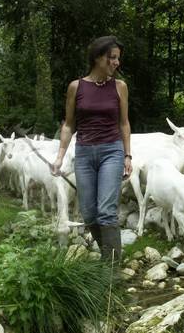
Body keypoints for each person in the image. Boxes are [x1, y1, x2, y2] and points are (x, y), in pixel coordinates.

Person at [50, 35, 132, 264]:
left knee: (106, 211)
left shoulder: (120, 87)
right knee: (88, 213)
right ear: (98, 57)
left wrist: (127, 155)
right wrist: (59, 157)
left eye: (118, 58)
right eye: (112, 58)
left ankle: (112, 268)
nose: (116, 62)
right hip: (84, 153)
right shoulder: (76, 87)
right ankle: (109, 255)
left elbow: (124, 123)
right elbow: (68, 124)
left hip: (111, 152)